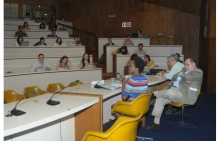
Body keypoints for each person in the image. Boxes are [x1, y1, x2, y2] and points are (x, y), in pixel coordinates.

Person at [147, 58, 203, 130]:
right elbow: (174, 77)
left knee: (168, 92)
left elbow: (188, 77)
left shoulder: (198, 72)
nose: (185, 67)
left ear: (194, 64)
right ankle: (156, 123)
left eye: (187, 65)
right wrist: (183, 77)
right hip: (173, 89)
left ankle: (153, 94)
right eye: (185, 65)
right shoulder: (184, 70)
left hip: (183, 94)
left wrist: (182, 75)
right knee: (160, 97)